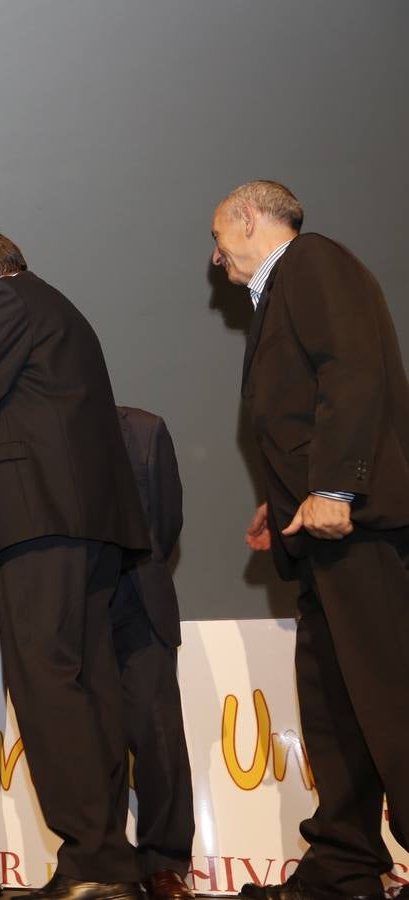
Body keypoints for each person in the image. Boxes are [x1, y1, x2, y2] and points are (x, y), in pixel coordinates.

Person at [0, 229, 150, 900]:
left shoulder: (5, 299)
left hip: (32, 523)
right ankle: (107, 854)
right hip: (85, 529)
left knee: (46, 684)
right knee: (89, 685)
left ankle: (91, 857)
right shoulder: (64, 310)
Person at [208, 180, 409, 900]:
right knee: (334, 707)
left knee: (389, 696)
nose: (214, 255)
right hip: (320, 535)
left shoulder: (314, 262)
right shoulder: (282, 291)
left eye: (216, 236)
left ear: (248, 218)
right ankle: (344, 864)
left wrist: (336, 487)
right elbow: (300, 410)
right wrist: (287, 497)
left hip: (357, 529)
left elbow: (352, 373)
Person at [111, 406, 194, 900]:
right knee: (93, 745)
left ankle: (164, 861)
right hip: (78, 610)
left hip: (141, 602)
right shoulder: (49, 432)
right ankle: (107, 860)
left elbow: (167, 520)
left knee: (157, 735)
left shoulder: (145, 428)